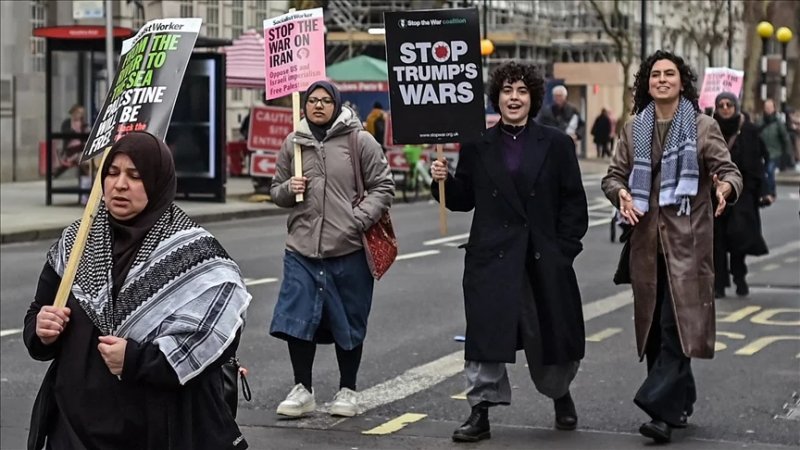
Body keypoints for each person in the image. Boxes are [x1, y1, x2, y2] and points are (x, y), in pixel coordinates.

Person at [24, 132, 251, 449]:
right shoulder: (76, 242)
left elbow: (217, 338)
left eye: (135, 175)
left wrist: (137, 359)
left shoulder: (193, 253)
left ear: (158, 182)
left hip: (155, 430)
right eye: (112, 173)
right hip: (72, 428)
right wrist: (42, 331)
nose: (119, 185)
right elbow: (38, 315)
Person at [430, 61, 588, 443]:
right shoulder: (477, 143)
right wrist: (443, 182)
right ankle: (480, 411)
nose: (513, 98)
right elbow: (464, 198)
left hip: (541, 258)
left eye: (521, 91)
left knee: (548, 333)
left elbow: (573, 204)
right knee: (485, 335)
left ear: (533, 98)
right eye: (506, 91)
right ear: (496, 98)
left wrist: (561, 251)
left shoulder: (556, 144)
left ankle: (559, 393)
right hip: (492, 257)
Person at [601, 50, 742, 444]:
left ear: (682, 82)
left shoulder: (702, 126)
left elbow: (728, 170)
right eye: (655, 74)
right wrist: (623, 195)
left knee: (673, 325)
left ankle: (660, 413)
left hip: (687, 246)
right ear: (647, 83)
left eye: (670, 74)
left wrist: (724, 187)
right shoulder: (633, 128)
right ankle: (680, 402)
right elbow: (613, 177)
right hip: (647, 246)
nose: (662, 79)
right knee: (652, 333)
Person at [269, 81, 394, 418]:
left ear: (337, 105)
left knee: (348, 321)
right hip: (302, 249)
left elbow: (384, 186)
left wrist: (358, 220)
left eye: (326, 100)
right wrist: (288, 189)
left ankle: (348, 389)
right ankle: (302, 389)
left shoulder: (359, 141)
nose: (319, 106)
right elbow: (275, 191)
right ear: (305, 105)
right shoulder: (293, 145)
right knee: (297, 318)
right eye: (313, 100)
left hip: (348, 249)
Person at [712, 92, 769, 299]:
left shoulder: (749, 131)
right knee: (716, 241)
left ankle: (739, 277)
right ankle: (718, 284)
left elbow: (760, 163)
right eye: (721, 105)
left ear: (736, 106)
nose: (725, 108)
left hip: (742, 193)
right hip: (715, 193)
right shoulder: (710, 129)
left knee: (738, 238)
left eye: (729, 105)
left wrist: (764, 191)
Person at [757, 99, 792, 198]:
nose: (768, 109)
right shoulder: (759, 121)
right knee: (764, 172)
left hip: (774, 152)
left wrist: (786, 153)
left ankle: (771, 191)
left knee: (769, 171)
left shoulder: (778, 123)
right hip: (762, 152)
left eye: (770, 107)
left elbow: (785, 138)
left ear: (774, 108)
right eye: (766, 107)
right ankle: (766, 191)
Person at [55, 104, 90, 179]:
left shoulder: (83, 124)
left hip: (81, 148)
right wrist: (74, 131)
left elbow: (87, 136)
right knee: (81, 159)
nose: (80, 115)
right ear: (73, 112)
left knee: (84, 160)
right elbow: (65, 134)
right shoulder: (67, 123)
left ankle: (88, 178)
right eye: (78, 113)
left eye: (81, 113)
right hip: (71, 149)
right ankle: (89, 177)